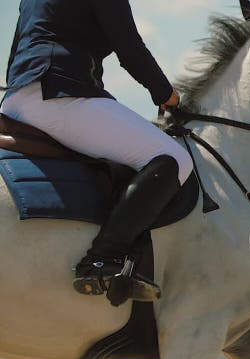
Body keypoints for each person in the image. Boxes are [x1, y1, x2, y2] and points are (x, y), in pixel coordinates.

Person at [1, 0, 194, 300]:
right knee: (174, 159)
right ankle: (102, 259)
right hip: (60, 93)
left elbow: (16, 51)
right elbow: (129, 47)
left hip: (17, 99)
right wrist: (167, 95)